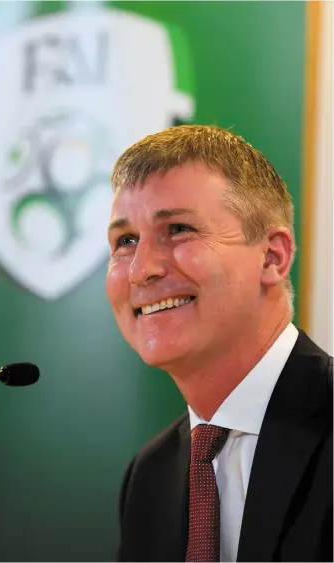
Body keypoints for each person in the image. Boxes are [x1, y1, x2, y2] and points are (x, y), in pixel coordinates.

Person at [106, 125, 333, 562]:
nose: (140, 270)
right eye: (125, 241)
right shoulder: (149, 476)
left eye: (178, 228)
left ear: (272, 257)